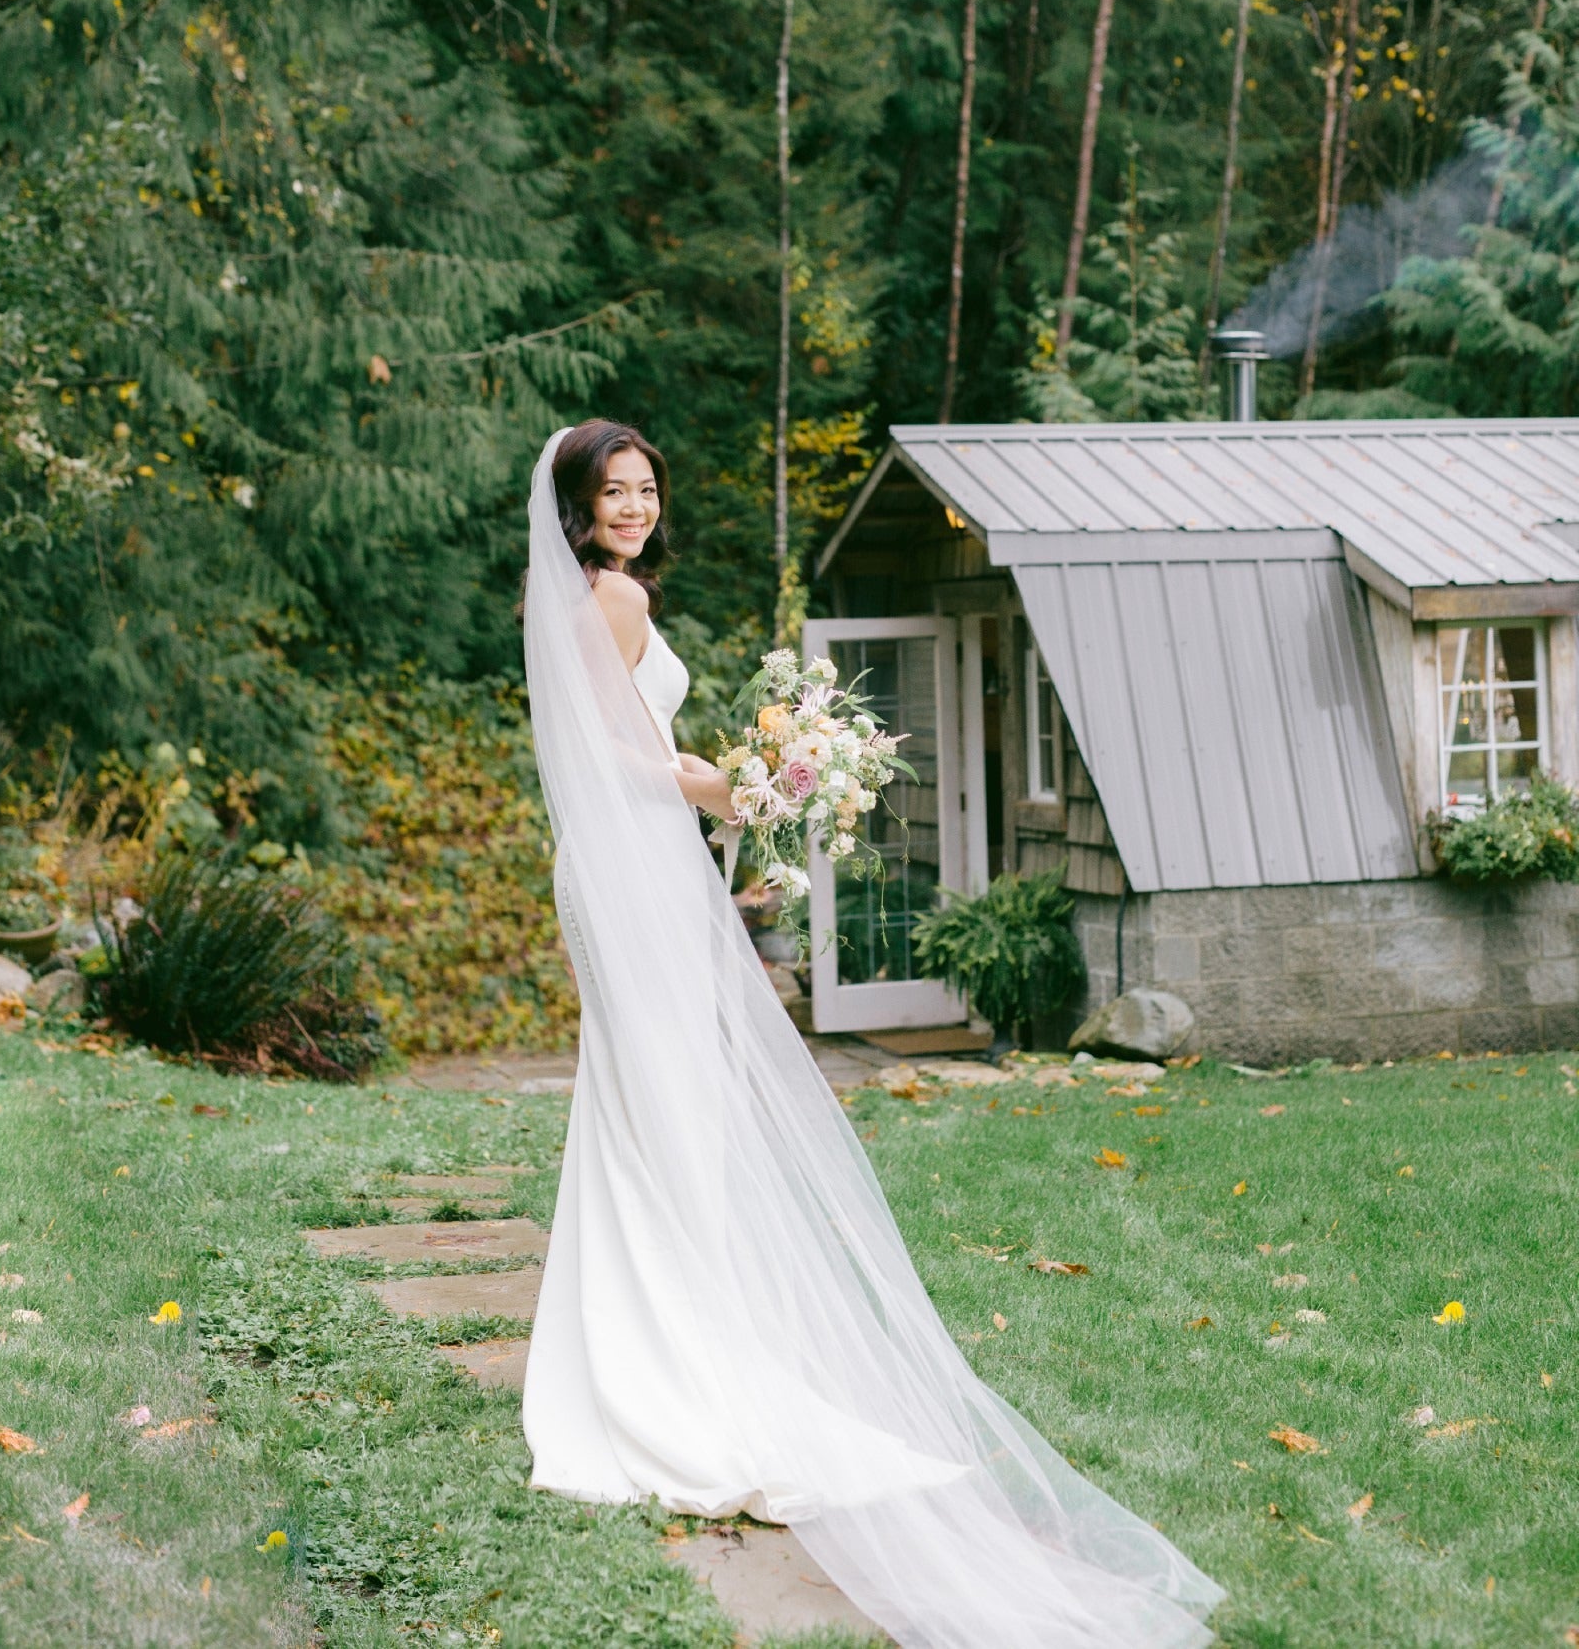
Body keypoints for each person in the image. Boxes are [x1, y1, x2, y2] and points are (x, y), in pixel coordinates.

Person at [520, 419, 1224, 1649]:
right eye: (613, 492)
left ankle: (640, 1348)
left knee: (647, 1101)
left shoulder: (586, 601)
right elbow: (630, 753)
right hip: (633, 863)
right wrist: (752, 784)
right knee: (671, 1102)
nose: (633, 506)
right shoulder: (614, 595)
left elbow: (628, 744)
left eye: (646, 487)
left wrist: (729, 777)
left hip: (617, 862)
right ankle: (671, 1366)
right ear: (578, 507)